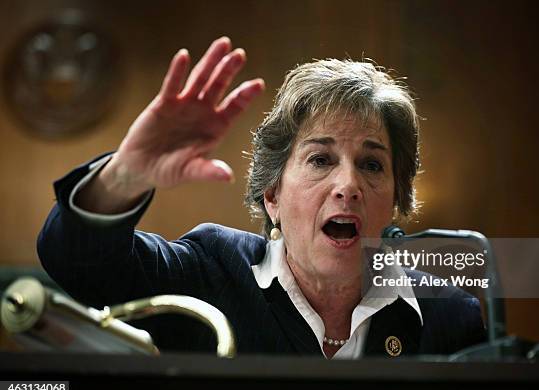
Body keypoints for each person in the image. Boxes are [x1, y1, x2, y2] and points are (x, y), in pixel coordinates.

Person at [38, 37, 485, 358]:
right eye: (320, 160)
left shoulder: (448, 316)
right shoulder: (212, 271)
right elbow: (77, 260)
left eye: (371, 165)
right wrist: (126, 175)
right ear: (272, 195)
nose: (348, 185)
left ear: (394, 200)